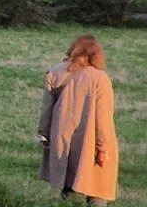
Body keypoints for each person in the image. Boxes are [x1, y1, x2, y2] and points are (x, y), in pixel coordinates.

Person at [39, 33, 119, 204]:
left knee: (69, 187)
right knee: (98, 191)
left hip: (63, 140)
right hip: (90, 145)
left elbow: (46, 110)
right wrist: (103, 147)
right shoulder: (100, 79)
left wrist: (44, 135)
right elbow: (103, 118)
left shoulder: (56, 72)